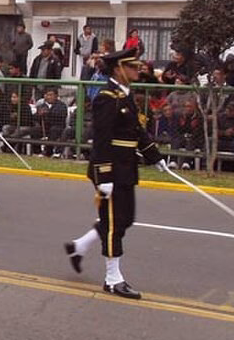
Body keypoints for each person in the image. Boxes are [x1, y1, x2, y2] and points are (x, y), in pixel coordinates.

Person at [64, 48, 165, 299]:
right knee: (113, 225)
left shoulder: (125, 94)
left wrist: (155, 156)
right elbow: (101, 140)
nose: (137, 71)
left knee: (125, 219)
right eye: (132, 67)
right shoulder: (107, 97)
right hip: (110, 169)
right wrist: (104, 176)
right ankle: (112, 279)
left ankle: (79, 247)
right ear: (119, 69)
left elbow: (137, 132)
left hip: (126, 166)